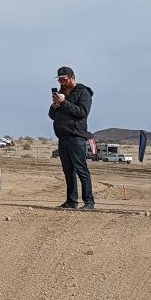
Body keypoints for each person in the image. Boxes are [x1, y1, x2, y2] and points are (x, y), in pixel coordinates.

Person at [50, 66, 96, 210]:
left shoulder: (83, 93)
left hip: (76, 137)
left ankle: (89, 202)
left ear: (72, 78)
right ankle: (71, 201)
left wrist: (64, 103)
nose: (62, 83)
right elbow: (52, 116)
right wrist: (56, 105)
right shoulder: (61, 94)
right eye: (60, 80)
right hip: (63, 138)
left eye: (64, 80)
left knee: (81, 169)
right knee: (68, 171)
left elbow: (82, 112)